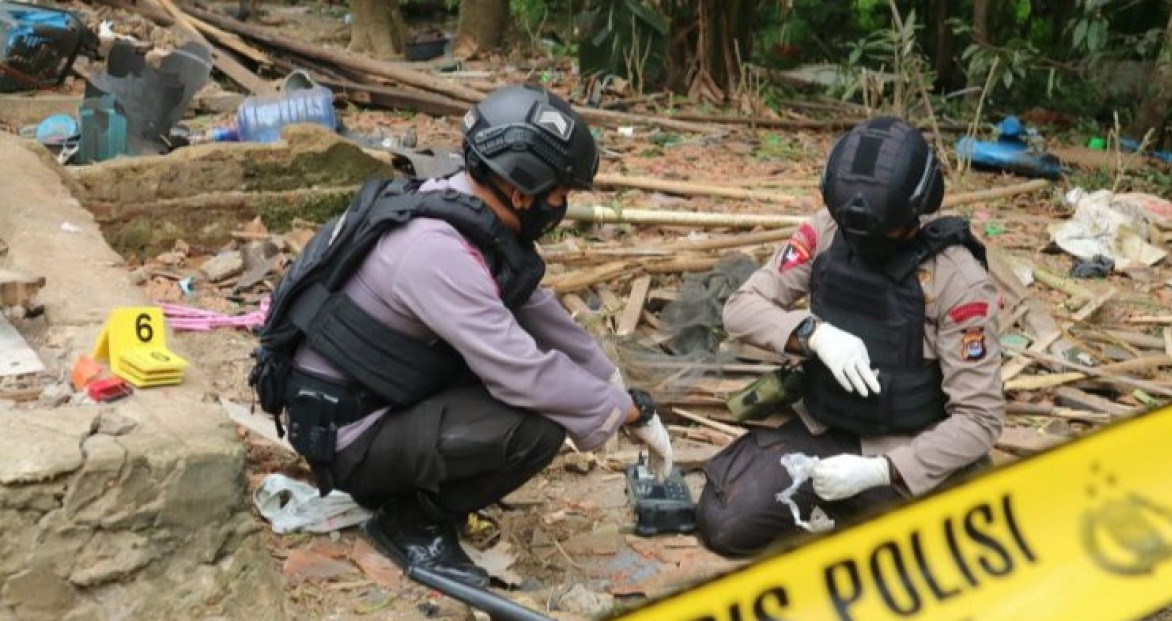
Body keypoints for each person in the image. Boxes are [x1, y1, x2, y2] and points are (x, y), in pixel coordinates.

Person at [279, 84, 674, 587]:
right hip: (349, 437)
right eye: (560, 193)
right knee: (538, 426)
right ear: (520, 190)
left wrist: (615, 385)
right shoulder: (437, 251)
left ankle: (413, 487)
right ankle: (411, 517)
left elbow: (539, 313)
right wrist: (623, 411)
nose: (562, 206)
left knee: (548, 393)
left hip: (377, 399)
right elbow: (523, 372)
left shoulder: (462, 210)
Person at [695, 116, 1004, 557]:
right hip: (827, 424)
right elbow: (741, 308)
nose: (863, 240)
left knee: (929, 563)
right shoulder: (828, 230)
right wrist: (812, 333)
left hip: (908, 441)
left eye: (880, 232)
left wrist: (881, 470)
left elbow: (980, 418)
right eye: (852, 226)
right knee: (724, 523)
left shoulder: (956, 280)